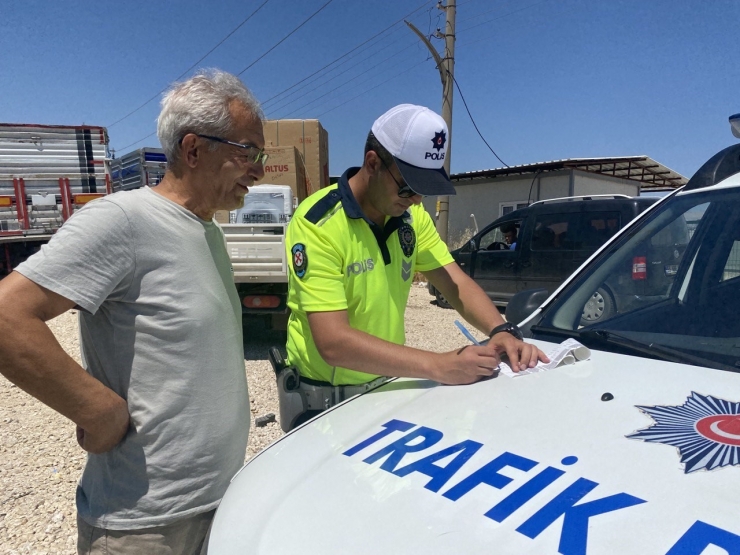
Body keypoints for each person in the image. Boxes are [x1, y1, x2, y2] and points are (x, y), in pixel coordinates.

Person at [0, 69, 266, 554]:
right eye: (247, 151)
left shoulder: (206, 231)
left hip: (218, 502)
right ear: (193, 150)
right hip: (142, 526)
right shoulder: (122, 220)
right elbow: (7, 317)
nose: (259, 169)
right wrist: (99, 411)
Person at [277, 104, 548, 431]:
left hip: (385, 390)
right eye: (408, 187)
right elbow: (333, 342)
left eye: (424, 189)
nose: (416, 200)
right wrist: (438, 366)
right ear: (373, 163)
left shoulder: (409, 217)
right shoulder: (318, 224)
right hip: (325, 407)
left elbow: (454, 283)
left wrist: (500, 329)